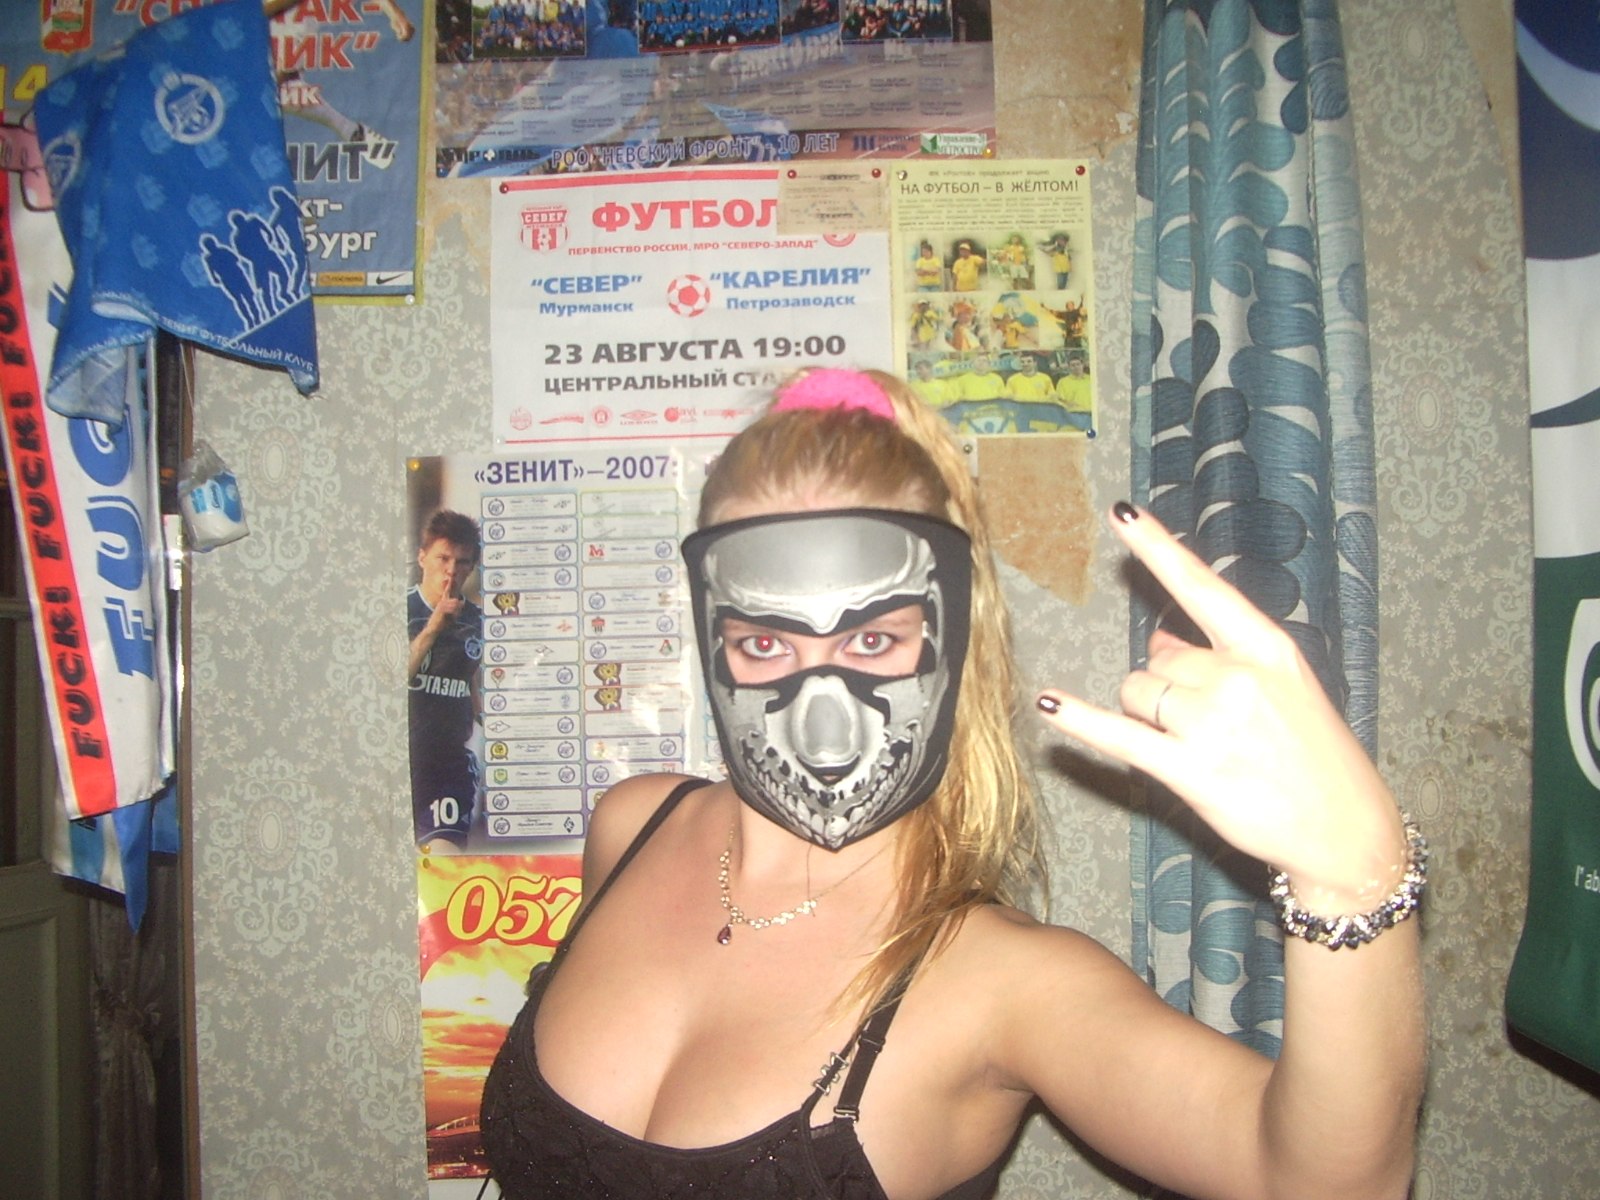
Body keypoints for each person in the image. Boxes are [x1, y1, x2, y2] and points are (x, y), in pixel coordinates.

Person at [481, 368, 1426, 1200]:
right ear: (712, 633)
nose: (820, 723)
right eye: (764, 643)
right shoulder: (633, 826)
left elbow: (1322, 1183)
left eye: (872, 640)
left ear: (949, 635)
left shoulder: (1003, 984)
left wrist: (1354, 878)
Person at [407, 509, 484, 851]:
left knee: (443, 862)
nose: (452, 570)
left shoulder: (478, 621)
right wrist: (434, 628)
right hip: (403, 762)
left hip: (448, 768)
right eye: (443, 558)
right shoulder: (400, 609)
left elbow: (474, 683)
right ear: (422, 557)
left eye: (462, 562)